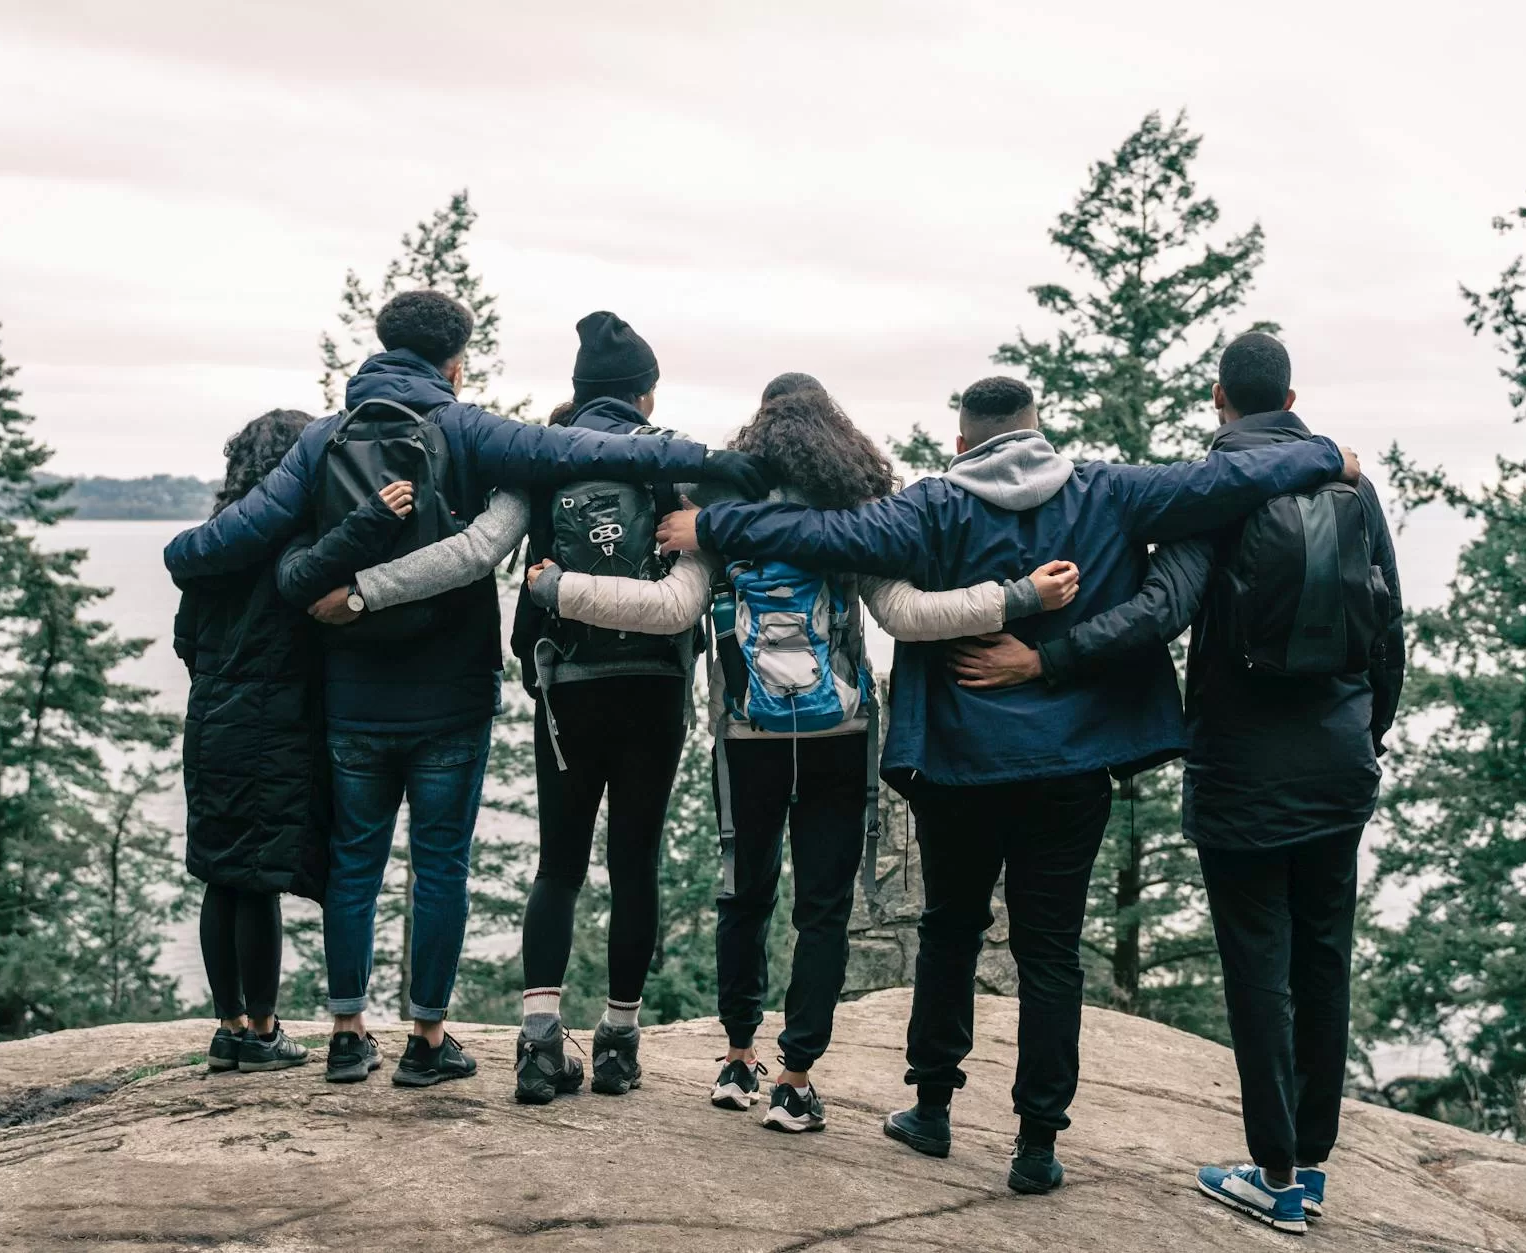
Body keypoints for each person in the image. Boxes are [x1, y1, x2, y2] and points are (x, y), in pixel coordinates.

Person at [658, 374, 1358, 1195]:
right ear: (1039, 431)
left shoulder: (932, 506)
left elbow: (825, 532)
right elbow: (1221, 481)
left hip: (959, 764)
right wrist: (1321, 455)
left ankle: (932, 1109)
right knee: (1052, 953)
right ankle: (1036, 1143)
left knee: (950, 930)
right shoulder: (1110, 491)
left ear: (962, 443)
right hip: (1072, 765)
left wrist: (714, 521)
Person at [163, 291, 771, 1090]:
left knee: (356, 863)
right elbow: (567, 450)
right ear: (456, 362)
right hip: (452, 693)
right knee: (442, 864)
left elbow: (214, 546)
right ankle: (426, 1040)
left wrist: (202, 553)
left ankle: (346, 1034)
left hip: (353, 692)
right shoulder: (466, 428)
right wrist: (700, 461)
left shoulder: (321, 439)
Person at [522, 374, 1078, 1131]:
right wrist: (1017, 599)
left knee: (743, 898)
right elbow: (910, 616)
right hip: (839, 736)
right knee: (822, 910)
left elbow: (670, 609)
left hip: (747, 735)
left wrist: (559, 589)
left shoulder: (719, 518)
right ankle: (795, 1075)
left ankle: (738, 1057)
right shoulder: (853, 518)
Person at [948, 334, 1404, 1234]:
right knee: (1323, 961)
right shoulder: (1352, 486)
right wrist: (1368, 729)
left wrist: (1044, 659)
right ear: (1291, 396)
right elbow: (1387, 618)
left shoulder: (1219, 494)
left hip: (1243, 773)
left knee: (1258, 972)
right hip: (1340, 766)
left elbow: (1157, 611)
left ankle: (1273, 1173)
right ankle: (1309, 1166)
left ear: (1218, 399)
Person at [172, 409, 413, 1075]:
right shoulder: (297, 538)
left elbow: (186, 639)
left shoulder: (217, 544)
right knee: (258, 877)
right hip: (275, 720)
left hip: (212, 716)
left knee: (220, 873)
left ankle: (227, 1028)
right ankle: (263, 1028)